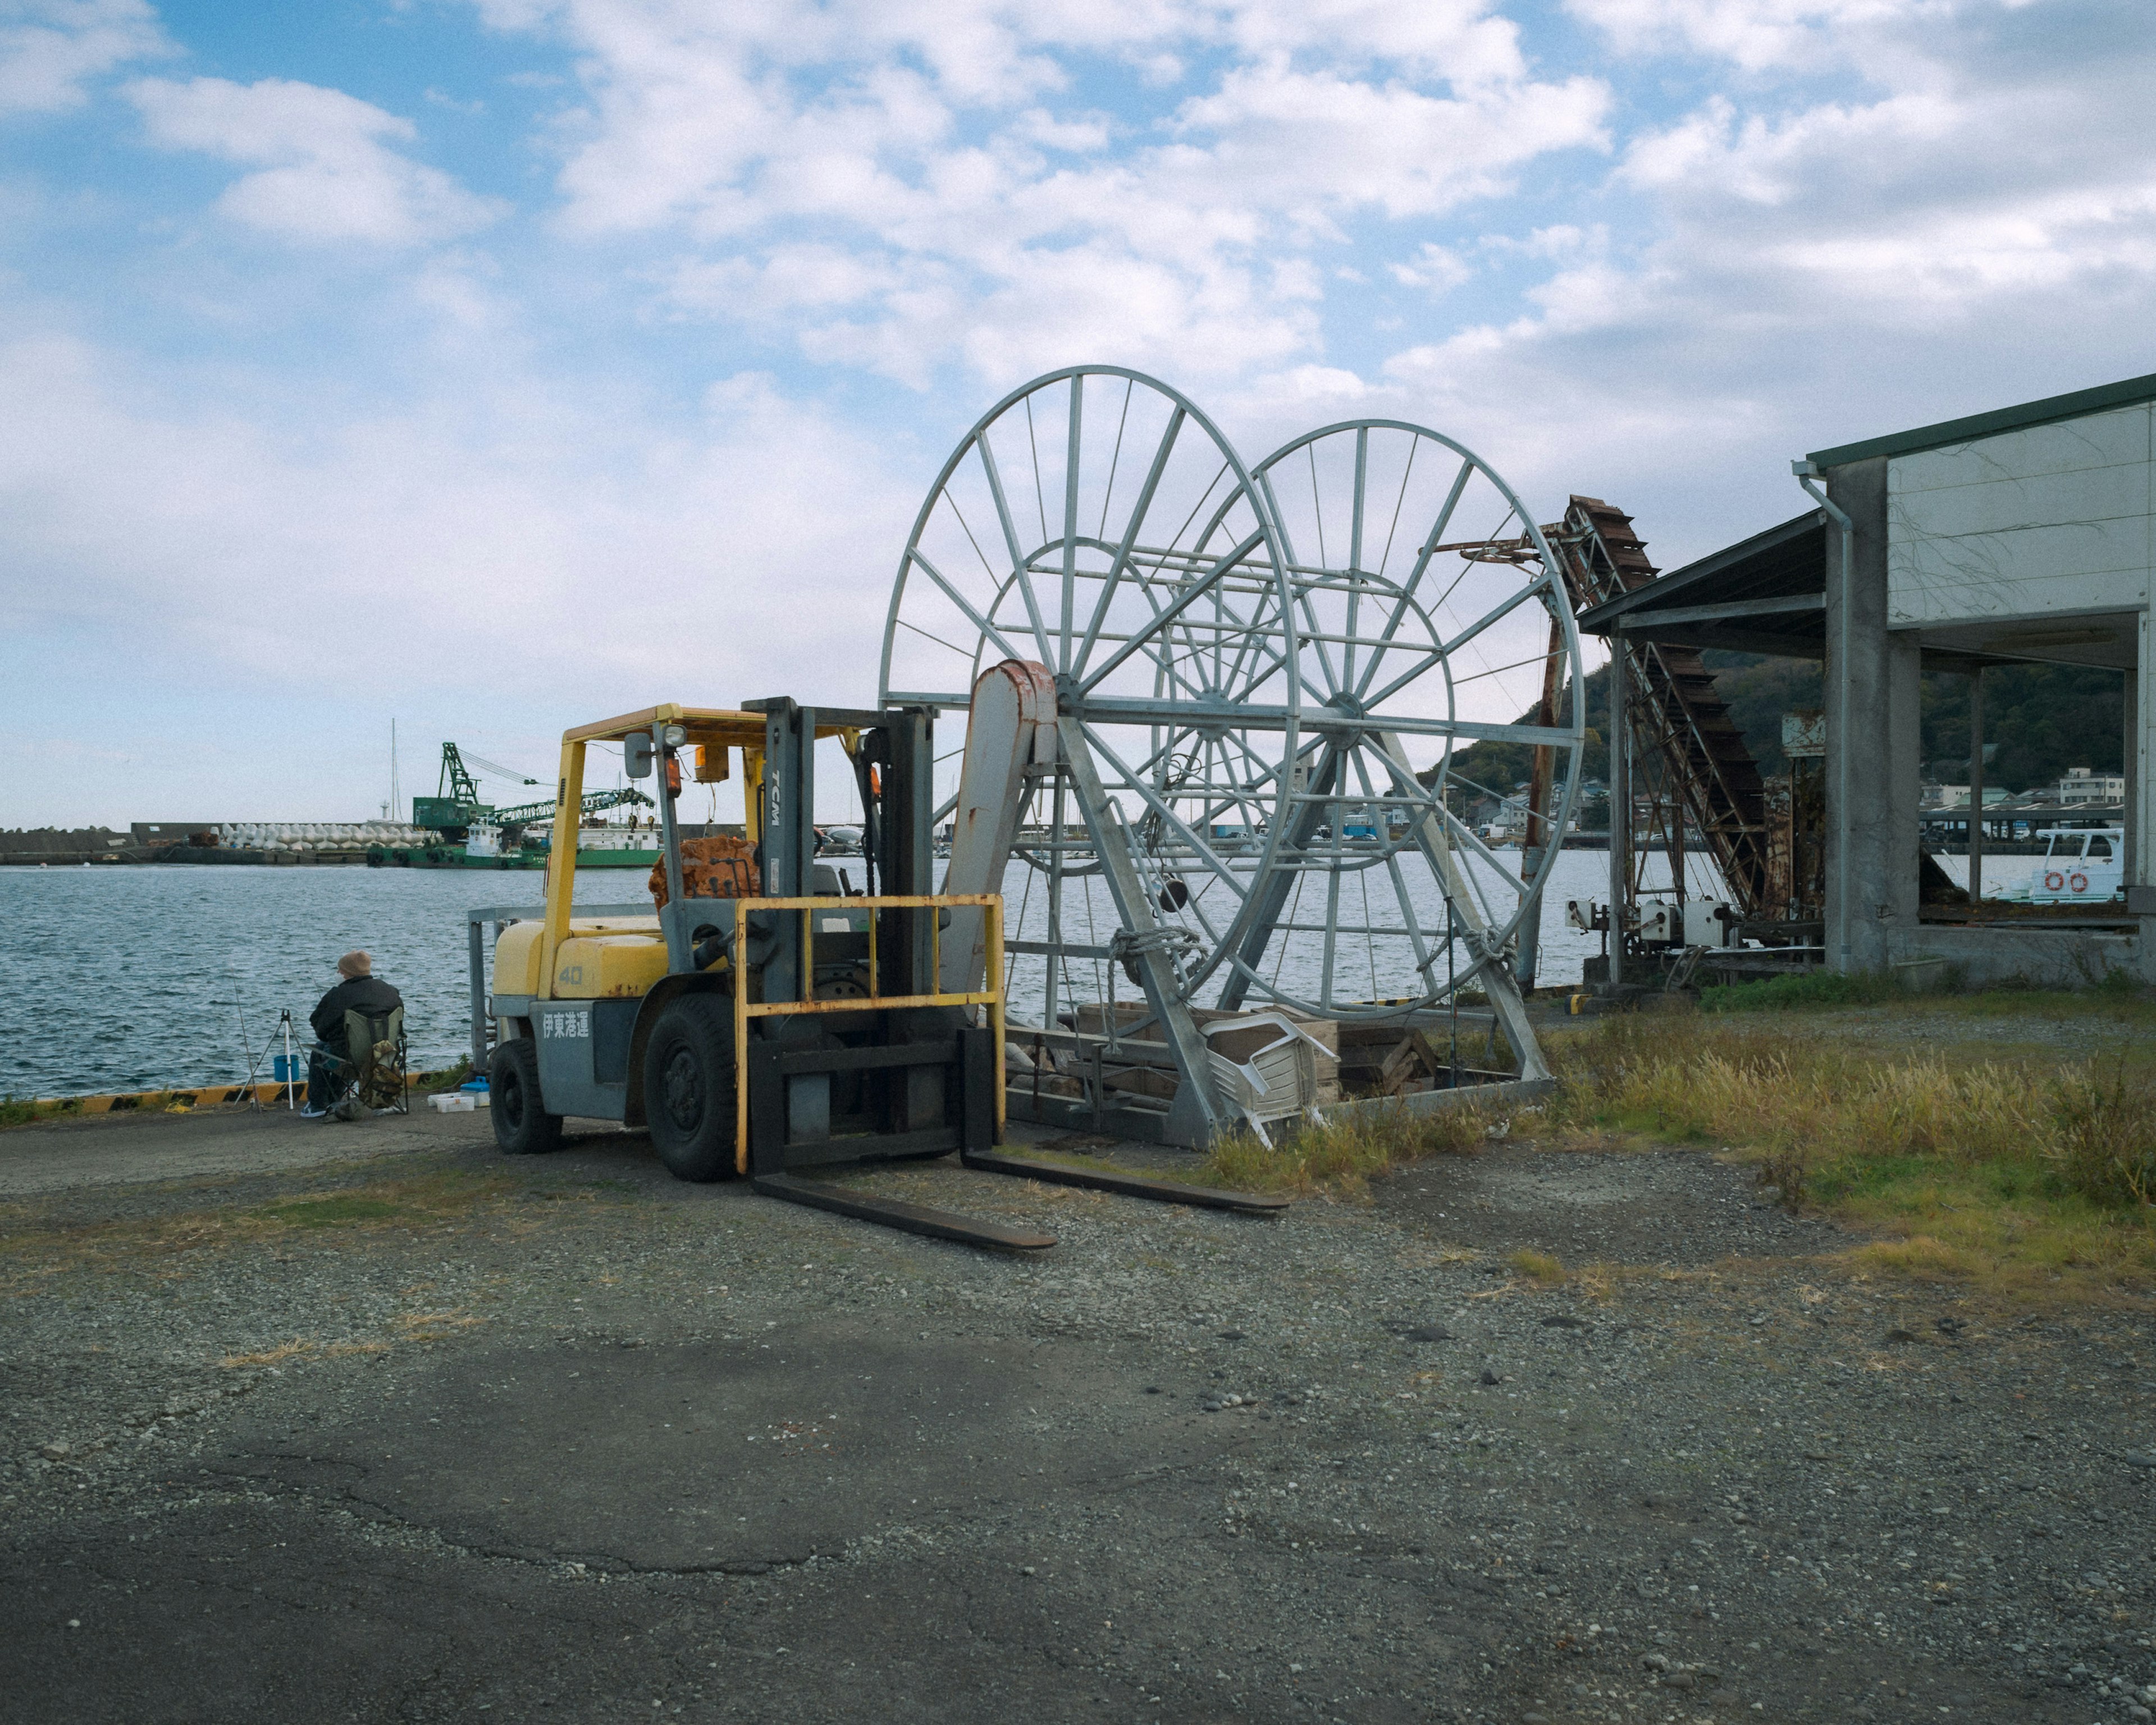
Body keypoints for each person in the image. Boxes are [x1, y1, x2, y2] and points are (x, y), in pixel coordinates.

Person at [301, 951, 404, 1119]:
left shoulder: (337, 995)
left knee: (321, 1050)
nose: (338, 974)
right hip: (386, 1055)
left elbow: (320, 1029)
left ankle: (317, 1105)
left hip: (351, 1059)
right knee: (339, 1049)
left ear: (345, 973)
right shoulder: (390, 991)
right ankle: (335, 1099)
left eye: (339, 970)